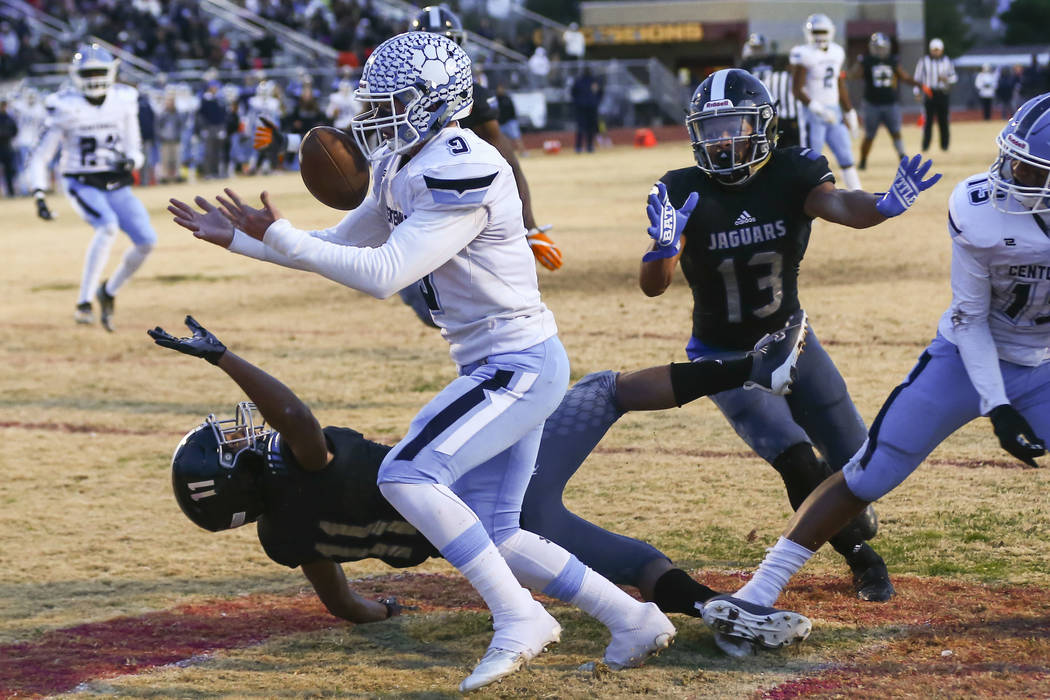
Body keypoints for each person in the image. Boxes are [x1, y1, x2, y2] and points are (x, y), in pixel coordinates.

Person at [168, 32, 676, 693]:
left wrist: (282, 236)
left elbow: (384, 273)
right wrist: (244, 241)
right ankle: (632, 619)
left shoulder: (465, 163)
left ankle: (519, 617)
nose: (373, 115)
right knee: (499, 531)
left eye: (390, 101)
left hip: (517, 362)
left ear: (436, 101)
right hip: (498, 363)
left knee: (406, 474)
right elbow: (340, 244)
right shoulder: (401, 163)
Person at [151, 311, 810, 636]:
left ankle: (710, 608)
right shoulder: (305, 464)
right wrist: (224, 358)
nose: (242, 433)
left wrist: (383, 611)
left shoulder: (285, 537)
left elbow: (343, 603)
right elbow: (293, 414)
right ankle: (754, 368)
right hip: (489, 488)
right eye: (230, 444)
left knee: (638, 565)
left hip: (493, 541)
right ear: (240, 475)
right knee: (607, 390)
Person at [702, 97, 1050, 653]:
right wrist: (999, 404)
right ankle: (759, 589)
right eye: (1011, 159)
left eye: (1028, 169)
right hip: (965, 357)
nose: (1008, 174)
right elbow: (970, 318)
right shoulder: (979, 208)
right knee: (869, 471)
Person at [637, 69, 942, 614]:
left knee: (861, 464)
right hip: (725, 358)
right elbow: (654, 287)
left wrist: (882, 205)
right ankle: (862, 557)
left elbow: (842, 205)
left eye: (732, 126)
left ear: (762, 125)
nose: (721, 140)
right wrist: (661, 248)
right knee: (799, 460)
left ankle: (850, 517)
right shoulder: (682, 188)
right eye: (710, 129)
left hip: (792, 340)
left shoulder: (792, 171)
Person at [254, 5, 561, 274]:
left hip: (453, 197)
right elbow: (355, 136)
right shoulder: (391, 151)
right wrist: (289, 143)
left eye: (444, 43)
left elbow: (507, 158)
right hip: (418, 197)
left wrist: (530, 226)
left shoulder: (469, 141)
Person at [28, 44, 156, 332]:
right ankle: (83, 302)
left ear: (111, 72)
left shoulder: (124, 99)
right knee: (107, 227)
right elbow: (40, 156)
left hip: (116, 181)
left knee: (147, 241)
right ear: (75, 74)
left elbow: (135, 149)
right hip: (81, 180)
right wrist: (39, 193)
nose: (94, 78)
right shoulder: (64, 105)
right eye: (88, 73)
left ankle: (108, 291)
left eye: (99, 71)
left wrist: (131, 161)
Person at [790, 13, 862, 190]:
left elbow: (839, 83)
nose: (820, 36)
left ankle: (857, 193)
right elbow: (796, 90)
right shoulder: (804, 54)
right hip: (813, 114)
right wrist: (817, 108)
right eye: (816, 32)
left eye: (823, 32)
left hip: (834, 112)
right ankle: (806, 197)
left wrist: (849, 111)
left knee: (846, 157)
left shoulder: (837, 52)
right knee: (810, 159)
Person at [851, 32, 928, 170]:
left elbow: (904, 77)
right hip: (872, 104)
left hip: (890, 103)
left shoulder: (892, 61)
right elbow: (855, 75)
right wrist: (853, 67)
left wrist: (920, 85)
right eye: (877, 48)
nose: (880, 50)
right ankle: (863, 161)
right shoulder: (866, 61)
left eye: (882, 48)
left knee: (896, 132)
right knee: (869, 136)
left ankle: (903, 160)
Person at [914, 38, 957, 152]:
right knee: (927, 121)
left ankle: (945, 146)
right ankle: (925, 146)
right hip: (929, 93)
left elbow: (954, 77)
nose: (936, 52)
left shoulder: (947, 61)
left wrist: (946, 79)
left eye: (938, 50)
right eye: (934, 50)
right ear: (930, 50)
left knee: (944, 120)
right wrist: (917, 92)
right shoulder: (924, 61)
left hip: (942, 93)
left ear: (941, 50)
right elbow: (917, 78)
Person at [570, 66, 603, 154]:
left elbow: (573, 93)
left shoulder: (579, 81)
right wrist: (596, 101)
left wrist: (577, 102)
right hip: (590, 107)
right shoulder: (594, 81)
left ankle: (580, 146)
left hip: (583, 107)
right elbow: (600, 93)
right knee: (589, 127)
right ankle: (588, 146)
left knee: (582, 127)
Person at [0, 98, 17, 197]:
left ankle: (10, 192)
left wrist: (7, 135)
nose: (3, 107)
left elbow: (15, 131)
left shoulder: (9, 118)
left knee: (9, 171)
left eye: (4, 105)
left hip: (7, 146)